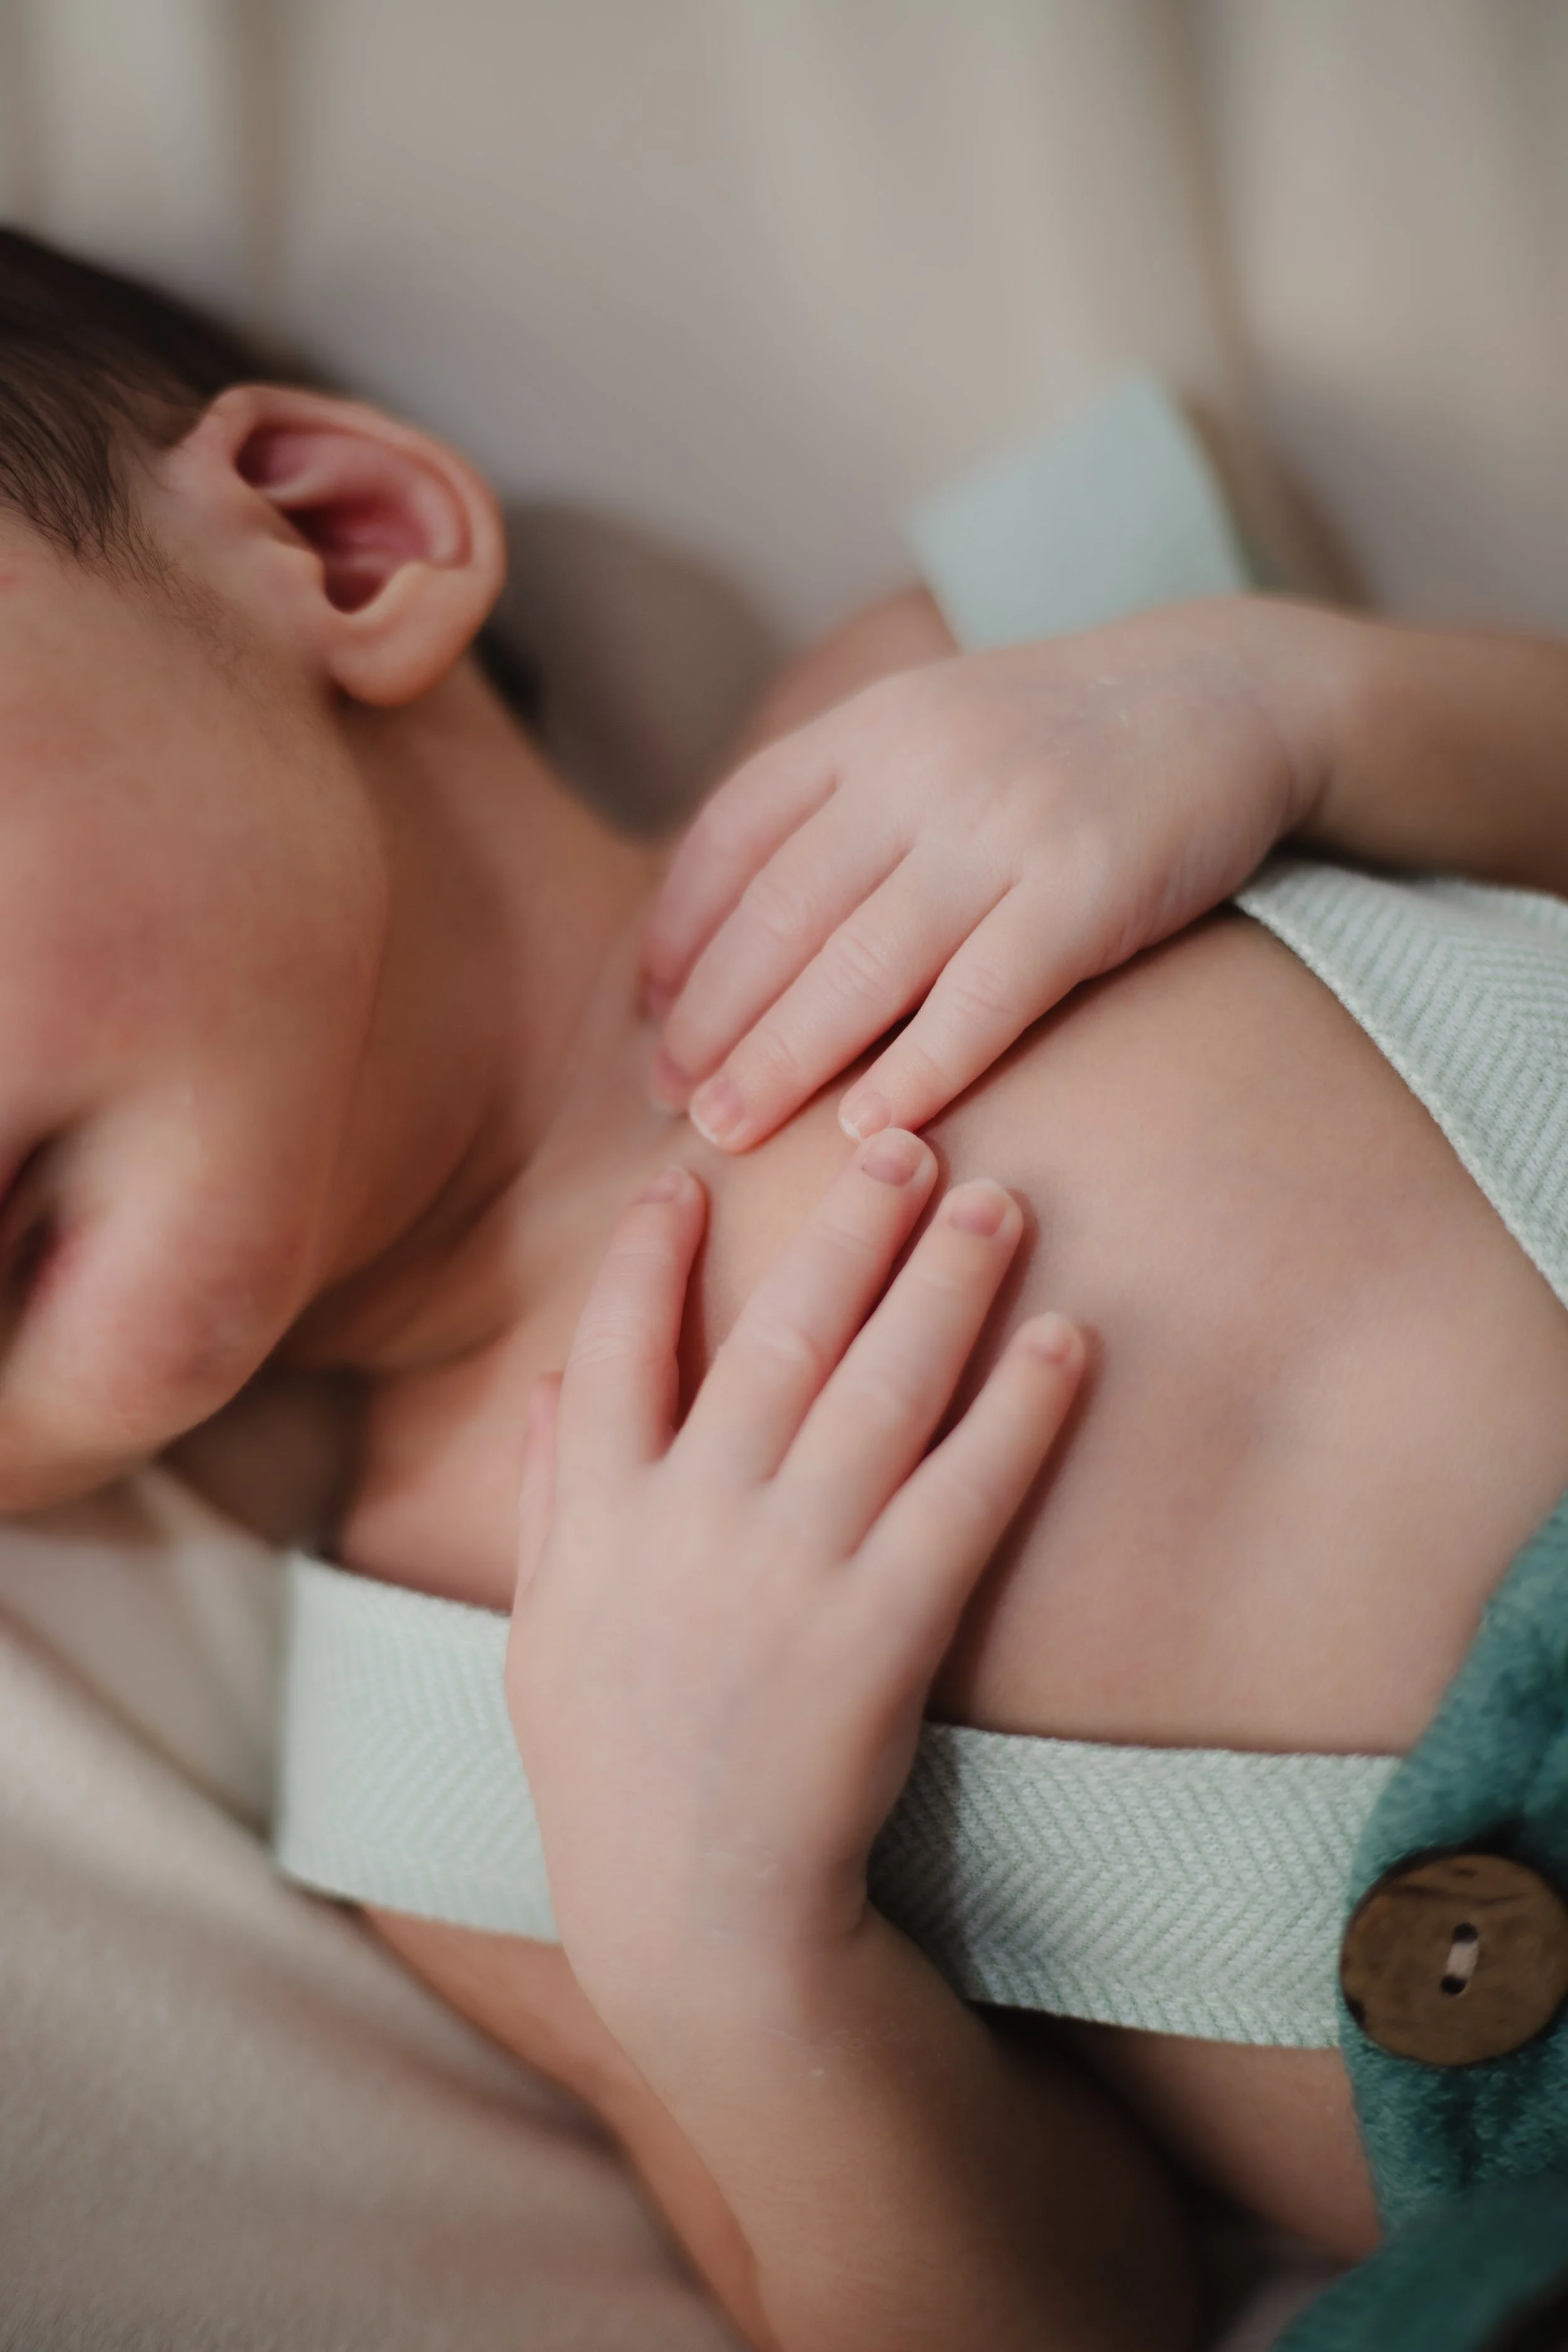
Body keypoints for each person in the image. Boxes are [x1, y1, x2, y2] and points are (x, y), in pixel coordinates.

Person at [4, 225, 1568, 2345]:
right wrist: (734, 1957)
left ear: (337, 541)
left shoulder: (994, 675)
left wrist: (1298, 702)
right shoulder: (452, 1740)